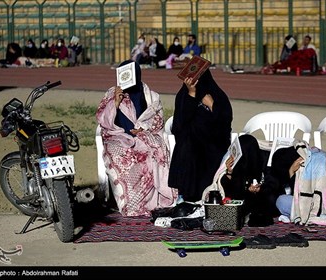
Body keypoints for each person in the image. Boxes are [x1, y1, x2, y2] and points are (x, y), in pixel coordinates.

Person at [96, 59, 177, 217]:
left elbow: (157, 118)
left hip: (145, 137)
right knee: (122, 156)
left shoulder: (150, 95)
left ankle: (153, 201)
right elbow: (103, 120)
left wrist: (142, 128)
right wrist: (115, 102)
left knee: (153, 154)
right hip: (118, 137)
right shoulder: (112, 93)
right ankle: (131, 204)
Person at [168, 68, 233, 203]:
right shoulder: (183, 95)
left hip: (213, 146)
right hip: (191, 148)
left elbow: (225, 123)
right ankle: (186, 196)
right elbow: (179, 126)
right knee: (188, 144)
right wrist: (192, 94)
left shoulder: (217, 95)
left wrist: (212, 105)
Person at [271, 141, 326, 226]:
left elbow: (302, 197)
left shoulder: (305, 165)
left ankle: (316, 215)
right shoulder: (316, 154)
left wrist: (291, 172)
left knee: (281, 201)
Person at [219, 134, 280, 227]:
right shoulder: (238, 162)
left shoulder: (265, 159)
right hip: (245, 197)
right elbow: (231, 191)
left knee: (269, 199)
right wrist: (230, 172)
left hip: (264, 196)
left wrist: (260, 189)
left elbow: (274, 183)